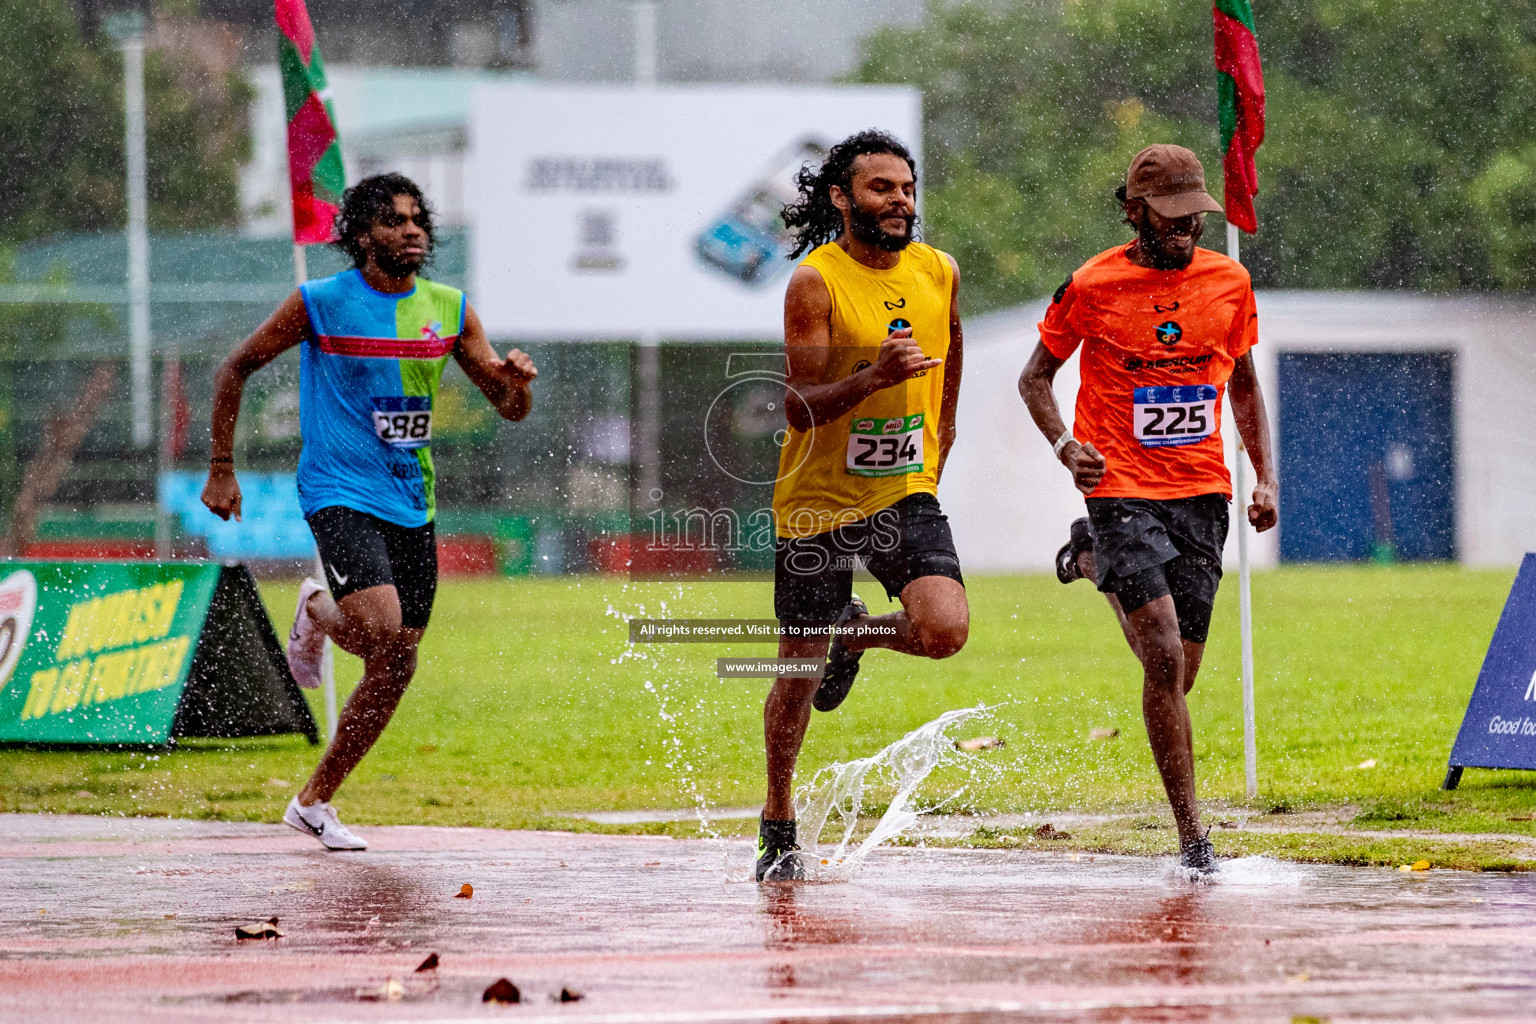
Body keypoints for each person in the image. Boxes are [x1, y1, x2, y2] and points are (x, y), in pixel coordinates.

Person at [201, 173, 537, 850]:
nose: (412, 230)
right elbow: (235, 367)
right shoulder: (319, 303)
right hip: (337, 486)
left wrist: (518, 386)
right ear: (360, 236)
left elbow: (505, 405)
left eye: (418, 219)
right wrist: (221, 467)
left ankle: (314, 802)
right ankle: (319, 612)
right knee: (378, 625)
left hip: (413, 498)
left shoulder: (450, 308)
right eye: (393, 221)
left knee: (398, 663)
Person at [1018, 144, 1277, 874]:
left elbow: (1245, 385)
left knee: (1178, 675)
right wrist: (1066, 446)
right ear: (1133, 210)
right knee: (1160, 650)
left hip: (1201, 490)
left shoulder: (1229, 282)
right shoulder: (1093, 284)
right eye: (1168, 218)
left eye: (1194, 218)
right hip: (1120, 484)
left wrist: (1265, 477)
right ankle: (1194, 838)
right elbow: (1035, 378)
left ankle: (1089, 557)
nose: (1184, 231)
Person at [757, 130, 969, 882]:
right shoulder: (816, 284)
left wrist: (939, 443)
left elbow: (952, 351)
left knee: (945, 630)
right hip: (816, 501)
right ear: (842, 198)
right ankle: (778, 822)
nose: (900, 202)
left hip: (902, 488)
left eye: (907, 188)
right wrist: (873, 379)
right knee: (796, 671)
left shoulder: (937, 269)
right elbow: (797, 404)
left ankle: (860, 637)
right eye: (881, 188)